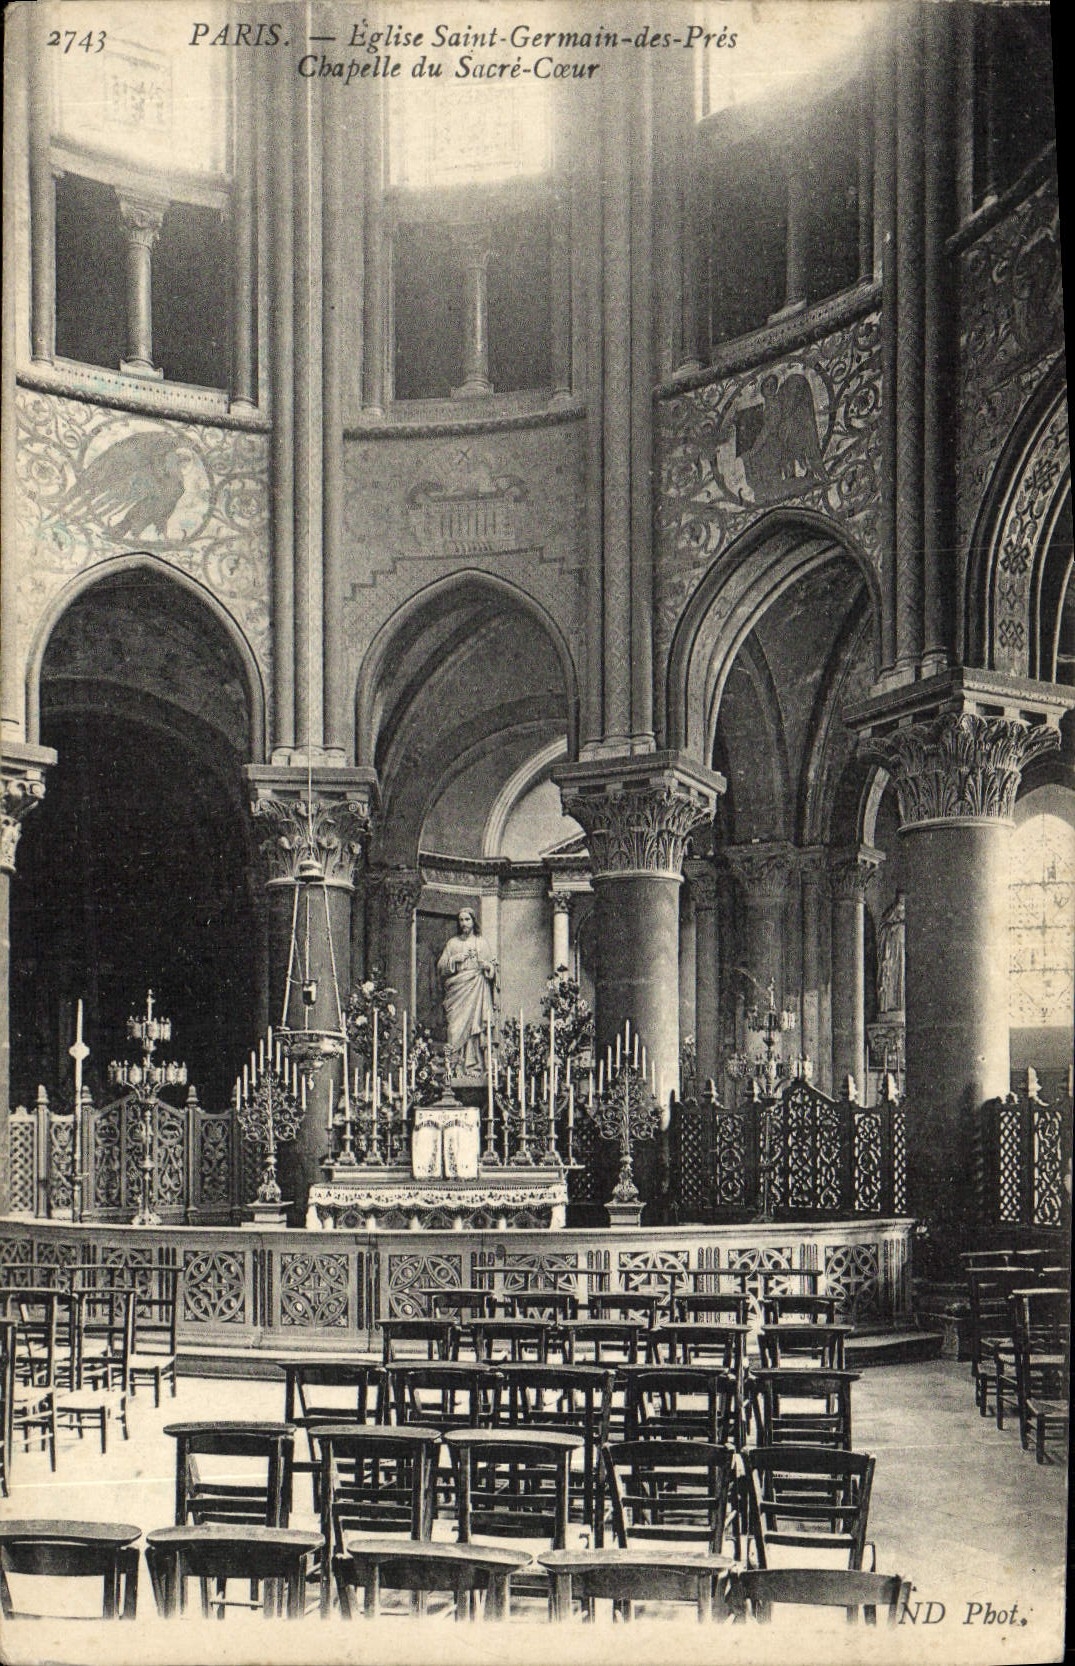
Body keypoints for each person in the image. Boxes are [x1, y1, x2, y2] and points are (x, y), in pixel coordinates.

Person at [437, 908, 497, 1075]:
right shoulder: (452, 943)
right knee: (455, 1029)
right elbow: (441, 967)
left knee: (475, 1028)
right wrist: (453, 960)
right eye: (461, 920)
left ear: (473, 921)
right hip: (457, 991)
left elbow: (493, 968)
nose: (463, 923)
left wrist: (487, 967)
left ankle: (473, 1066)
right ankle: (454, 1068)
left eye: (467, 919)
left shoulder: (482, 943)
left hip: (477, 987)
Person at [876, 891, 906, 1015]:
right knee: (891, 977)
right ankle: (889, 1005)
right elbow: (883, 929)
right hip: (892, 953)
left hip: (902, 953)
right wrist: (894, 927)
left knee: (901, 977)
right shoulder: (890, 914)